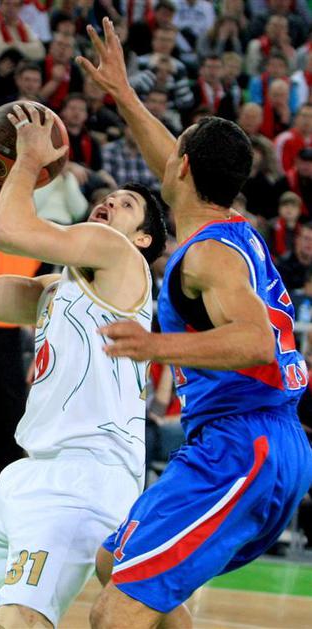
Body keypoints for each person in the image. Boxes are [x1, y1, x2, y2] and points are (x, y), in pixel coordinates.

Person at [77, 18, 312, 629]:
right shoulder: (225, 226)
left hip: (242, 446)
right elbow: (171, 158)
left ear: (183, 169)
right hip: (253, 440)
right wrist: (125, 96)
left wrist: (153, 344)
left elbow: (256, 341)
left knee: (115, 615)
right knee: (113, 563)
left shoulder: (208, 255)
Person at [0, 102, 168, 628]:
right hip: (31, 472)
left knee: (20, 617)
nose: (110, 202)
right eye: (108, 197)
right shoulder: (57, 286)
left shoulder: (121, 256)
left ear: (142, 239)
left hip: (87, 476)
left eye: (127, 203)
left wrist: (25, 161)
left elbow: (13, 233)